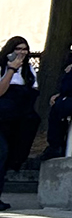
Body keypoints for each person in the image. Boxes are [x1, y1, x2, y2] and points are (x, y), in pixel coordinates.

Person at [0, 37, 37, 208]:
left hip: (18, 120)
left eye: (25, 49)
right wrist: (10, 70)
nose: (22, 52)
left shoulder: (29, 70)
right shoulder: (3, 67)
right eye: (18, 49)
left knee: (9, 157)